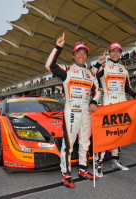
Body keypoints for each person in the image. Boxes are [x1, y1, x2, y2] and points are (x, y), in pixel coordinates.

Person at [45, 33, 101, 188]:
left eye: (84, 53)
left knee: (85, 142)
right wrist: (58, 47)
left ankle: (83, 169)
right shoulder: (67, 70)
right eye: (78, 52)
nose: (81, 55)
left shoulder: (90, 74)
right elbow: (49, 66)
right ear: (73, 55)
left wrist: (94, 101)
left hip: (86, 111)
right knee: (69, 144)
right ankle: (66, 173)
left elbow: (98, 90)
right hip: (71, 109)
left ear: (87, 56)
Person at [94, 42, 136, 177]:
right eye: (113, 51)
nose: (115, 53)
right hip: (108, 105)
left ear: (121, 53)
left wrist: (135, 95)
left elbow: (128, 87)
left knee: (120, 134)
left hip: (123, 105)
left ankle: (115, 160)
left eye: (118, 51)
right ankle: (98, 164)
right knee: (106, 136)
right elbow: (93, 76)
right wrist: (98, 64)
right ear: (109, 52)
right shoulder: (104, 66)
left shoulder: (124, 68)